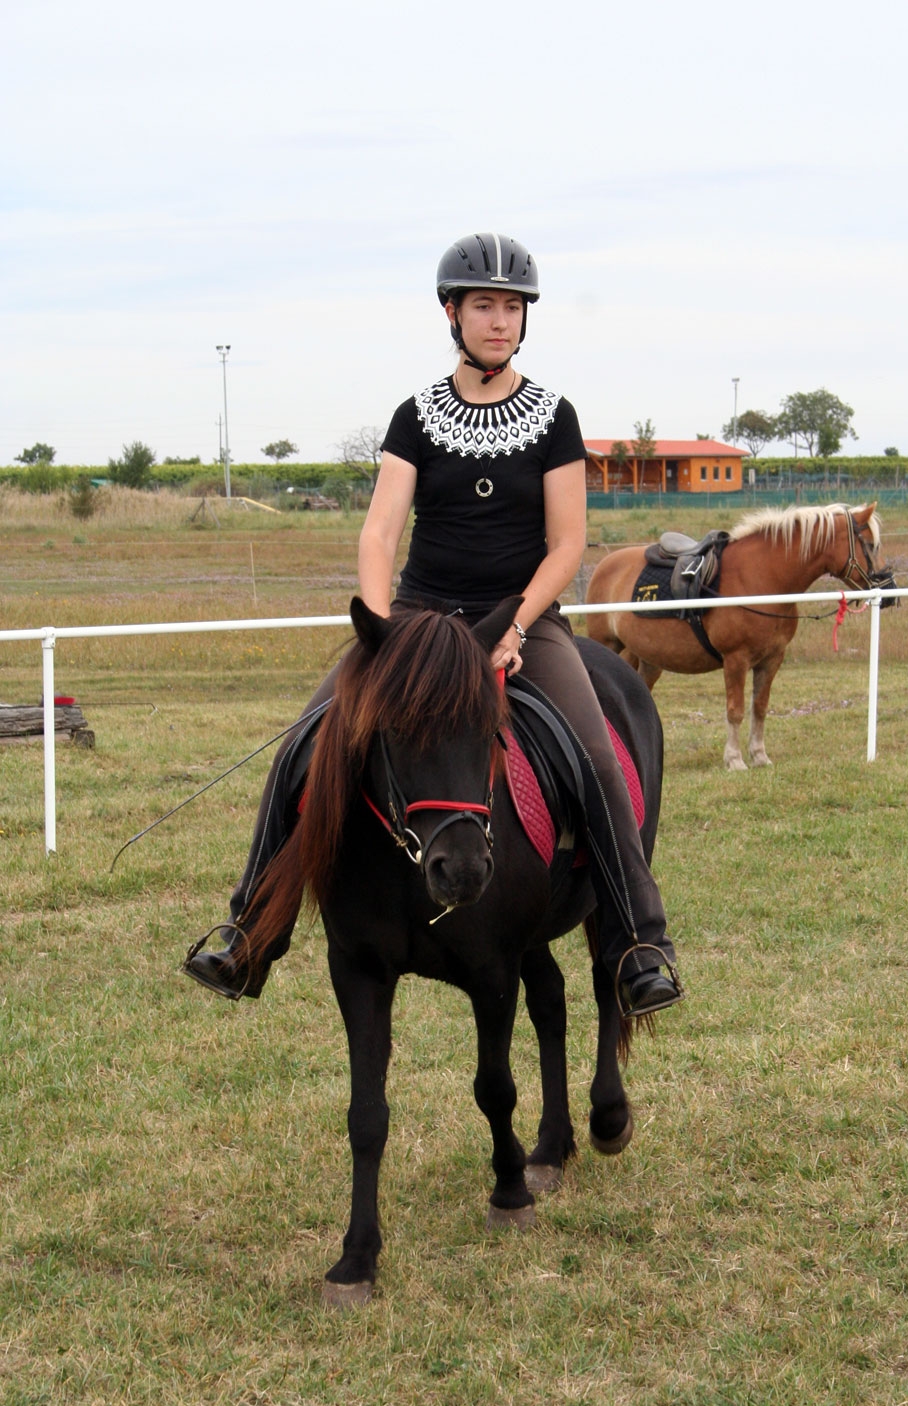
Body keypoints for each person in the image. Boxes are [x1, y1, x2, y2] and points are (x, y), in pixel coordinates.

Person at [184, 231, 681, 1019]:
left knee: (594, 755)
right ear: (452, 313)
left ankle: (638, 945)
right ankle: (249, 933)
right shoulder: (415, 416)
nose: (500, 321)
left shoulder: (555, 417)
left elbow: (568, 544)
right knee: (304, 745)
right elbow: (380, 533)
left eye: (512, 307)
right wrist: (383, 631)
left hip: (521, 620)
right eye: (484, 305)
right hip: (418, 620)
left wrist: (517, 624)